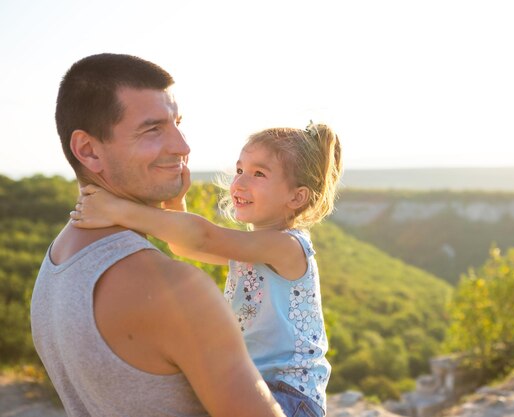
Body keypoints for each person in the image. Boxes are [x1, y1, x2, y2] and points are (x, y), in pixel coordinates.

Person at [30, 53, 286, 417]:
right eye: (153, 129)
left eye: (177, 123)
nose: (182, 146)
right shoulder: (174, 289)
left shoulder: (57, 264)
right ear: (88, 150)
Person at [71, 121, 343, 417]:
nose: (240, 183)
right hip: (254, 384)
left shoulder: (287, 247)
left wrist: (116, 209)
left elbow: (203, 237)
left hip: (290, 396)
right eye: (240, 170)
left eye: (259, 174)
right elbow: (187, 247)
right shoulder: (250, 247)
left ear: (296, 197)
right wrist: (176, 203)